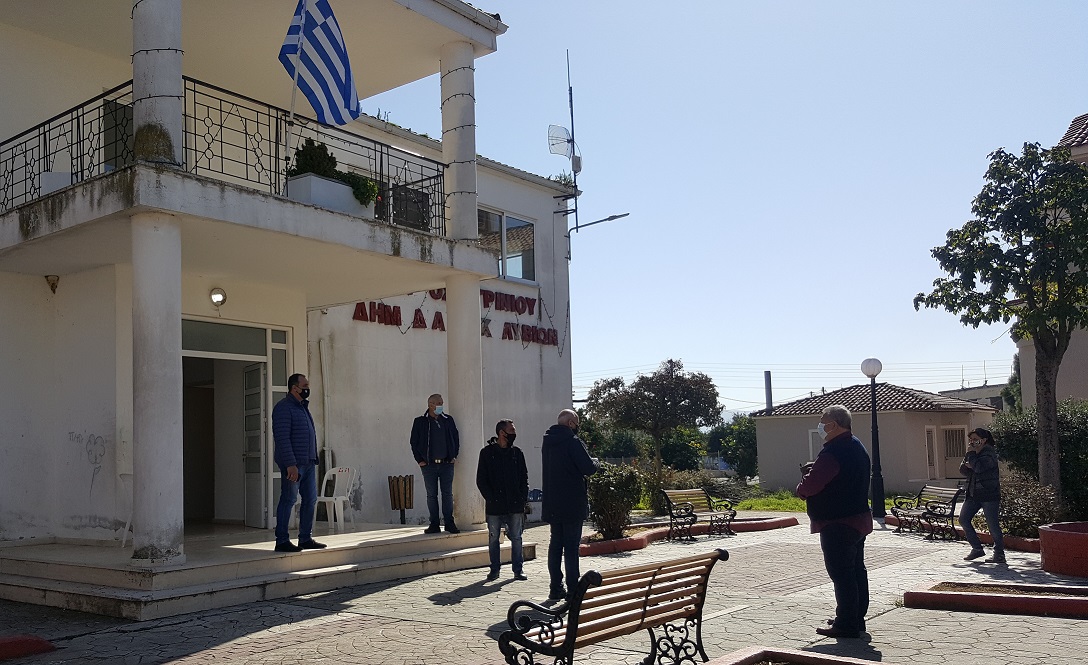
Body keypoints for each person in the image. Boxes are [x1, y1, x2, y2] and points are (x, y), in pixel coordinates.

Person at [796, 405, 872, 639]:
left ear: (834, 425)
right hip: (858, 519)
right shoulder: (856, 445)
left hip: (837, 522)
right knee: (856, 571)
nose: (820, 425)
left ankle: (846, 624)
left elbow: (810, 486)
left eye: (823, 421)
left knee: (841, 574)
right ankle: (855, 618)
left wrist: (801, 486)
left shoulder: (833, 452)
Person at [541, 409, 598, 600]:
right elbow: (588, 468)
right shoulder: (572, 441)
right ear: (571, 423)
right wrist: (596, 463)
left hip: (553, 502)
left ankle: (555, 587)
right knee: (571, 547)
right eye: (577, 423)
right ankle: (574, 589)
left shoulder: (548, 441)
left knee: (555, 544)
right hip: (572, 502)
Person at [271, 373, 327, 553]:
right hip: (294, 464)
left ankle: (305, 538)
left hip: (308, 462)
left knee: (310, 500)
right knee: (289, 499)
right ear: (294, 388)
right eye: (305, 386)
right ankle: (282, 540)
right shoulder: (283, 408)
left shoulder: (303, 407)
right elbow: (282, 438)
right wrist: (290, 464)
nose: (307, 389)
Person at [476, 419, 529, 581]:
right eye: (511, 431)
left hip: (515, 505)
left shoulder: (517, 453)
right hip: (495, 506)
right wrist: (491, 498)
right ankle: (494, 570)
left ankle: (518, 570)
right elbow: (481, 480)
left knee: (517, 538)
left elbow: (524, 478)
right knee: (494, 538)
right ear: (501, 433)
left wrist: (522, 498)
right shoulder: (487, 453)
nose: (514, 434)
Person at [410, 393, 460, 534]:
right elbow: (414, 442)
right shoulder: (420, 422)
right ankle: (434, 524)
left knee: (447, 494)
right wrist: (420, 460)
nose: (441, 406)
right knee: (431, 495)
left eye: (441, 403)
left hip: (446, 464)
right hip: (429, 465)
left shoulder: (448, 420)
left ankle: (449, 523)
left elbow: (455, 438)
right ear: (430, 405)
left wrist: (454, 455)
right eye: (438, 403)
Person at [959, 427, 1006, 564]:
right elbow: (963, 470)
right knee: (963, 519)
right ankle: (977, 548)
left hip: (989, 494)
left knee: (993, 525)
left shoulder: (989, 453)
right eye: (971, 439)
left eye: (975, 439)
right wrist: (970, 458)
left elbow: (979, 468)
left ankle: (999, 554)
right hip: (973, 494)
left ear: (984, 440)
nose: (972, 442)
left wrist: (972, 460)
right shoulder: (972, 453)